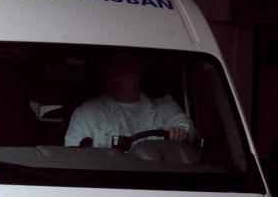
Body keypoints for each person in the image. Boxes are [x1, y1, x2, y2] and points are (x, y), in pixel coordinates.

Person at [65, 57, 193, 148]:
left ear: (138, 73)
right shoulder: (88, 112)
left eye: (120, 74)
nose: (113, 79)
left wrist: (179, 132)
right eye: (109, 75)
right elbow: (74, 153)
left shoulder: (164, 107)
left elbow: (188, 130)